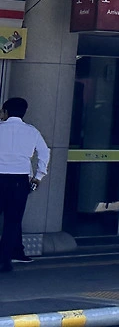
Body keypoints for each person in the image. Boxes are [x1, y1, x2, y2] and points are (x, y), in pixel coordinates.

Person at [0, 97, 50, 272]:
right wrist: (38, 176)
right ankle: (5, 260)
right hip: (20, 180)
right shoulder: (32, 131)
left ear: (6, 112)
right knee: (13, 221)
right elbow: (44, 152)